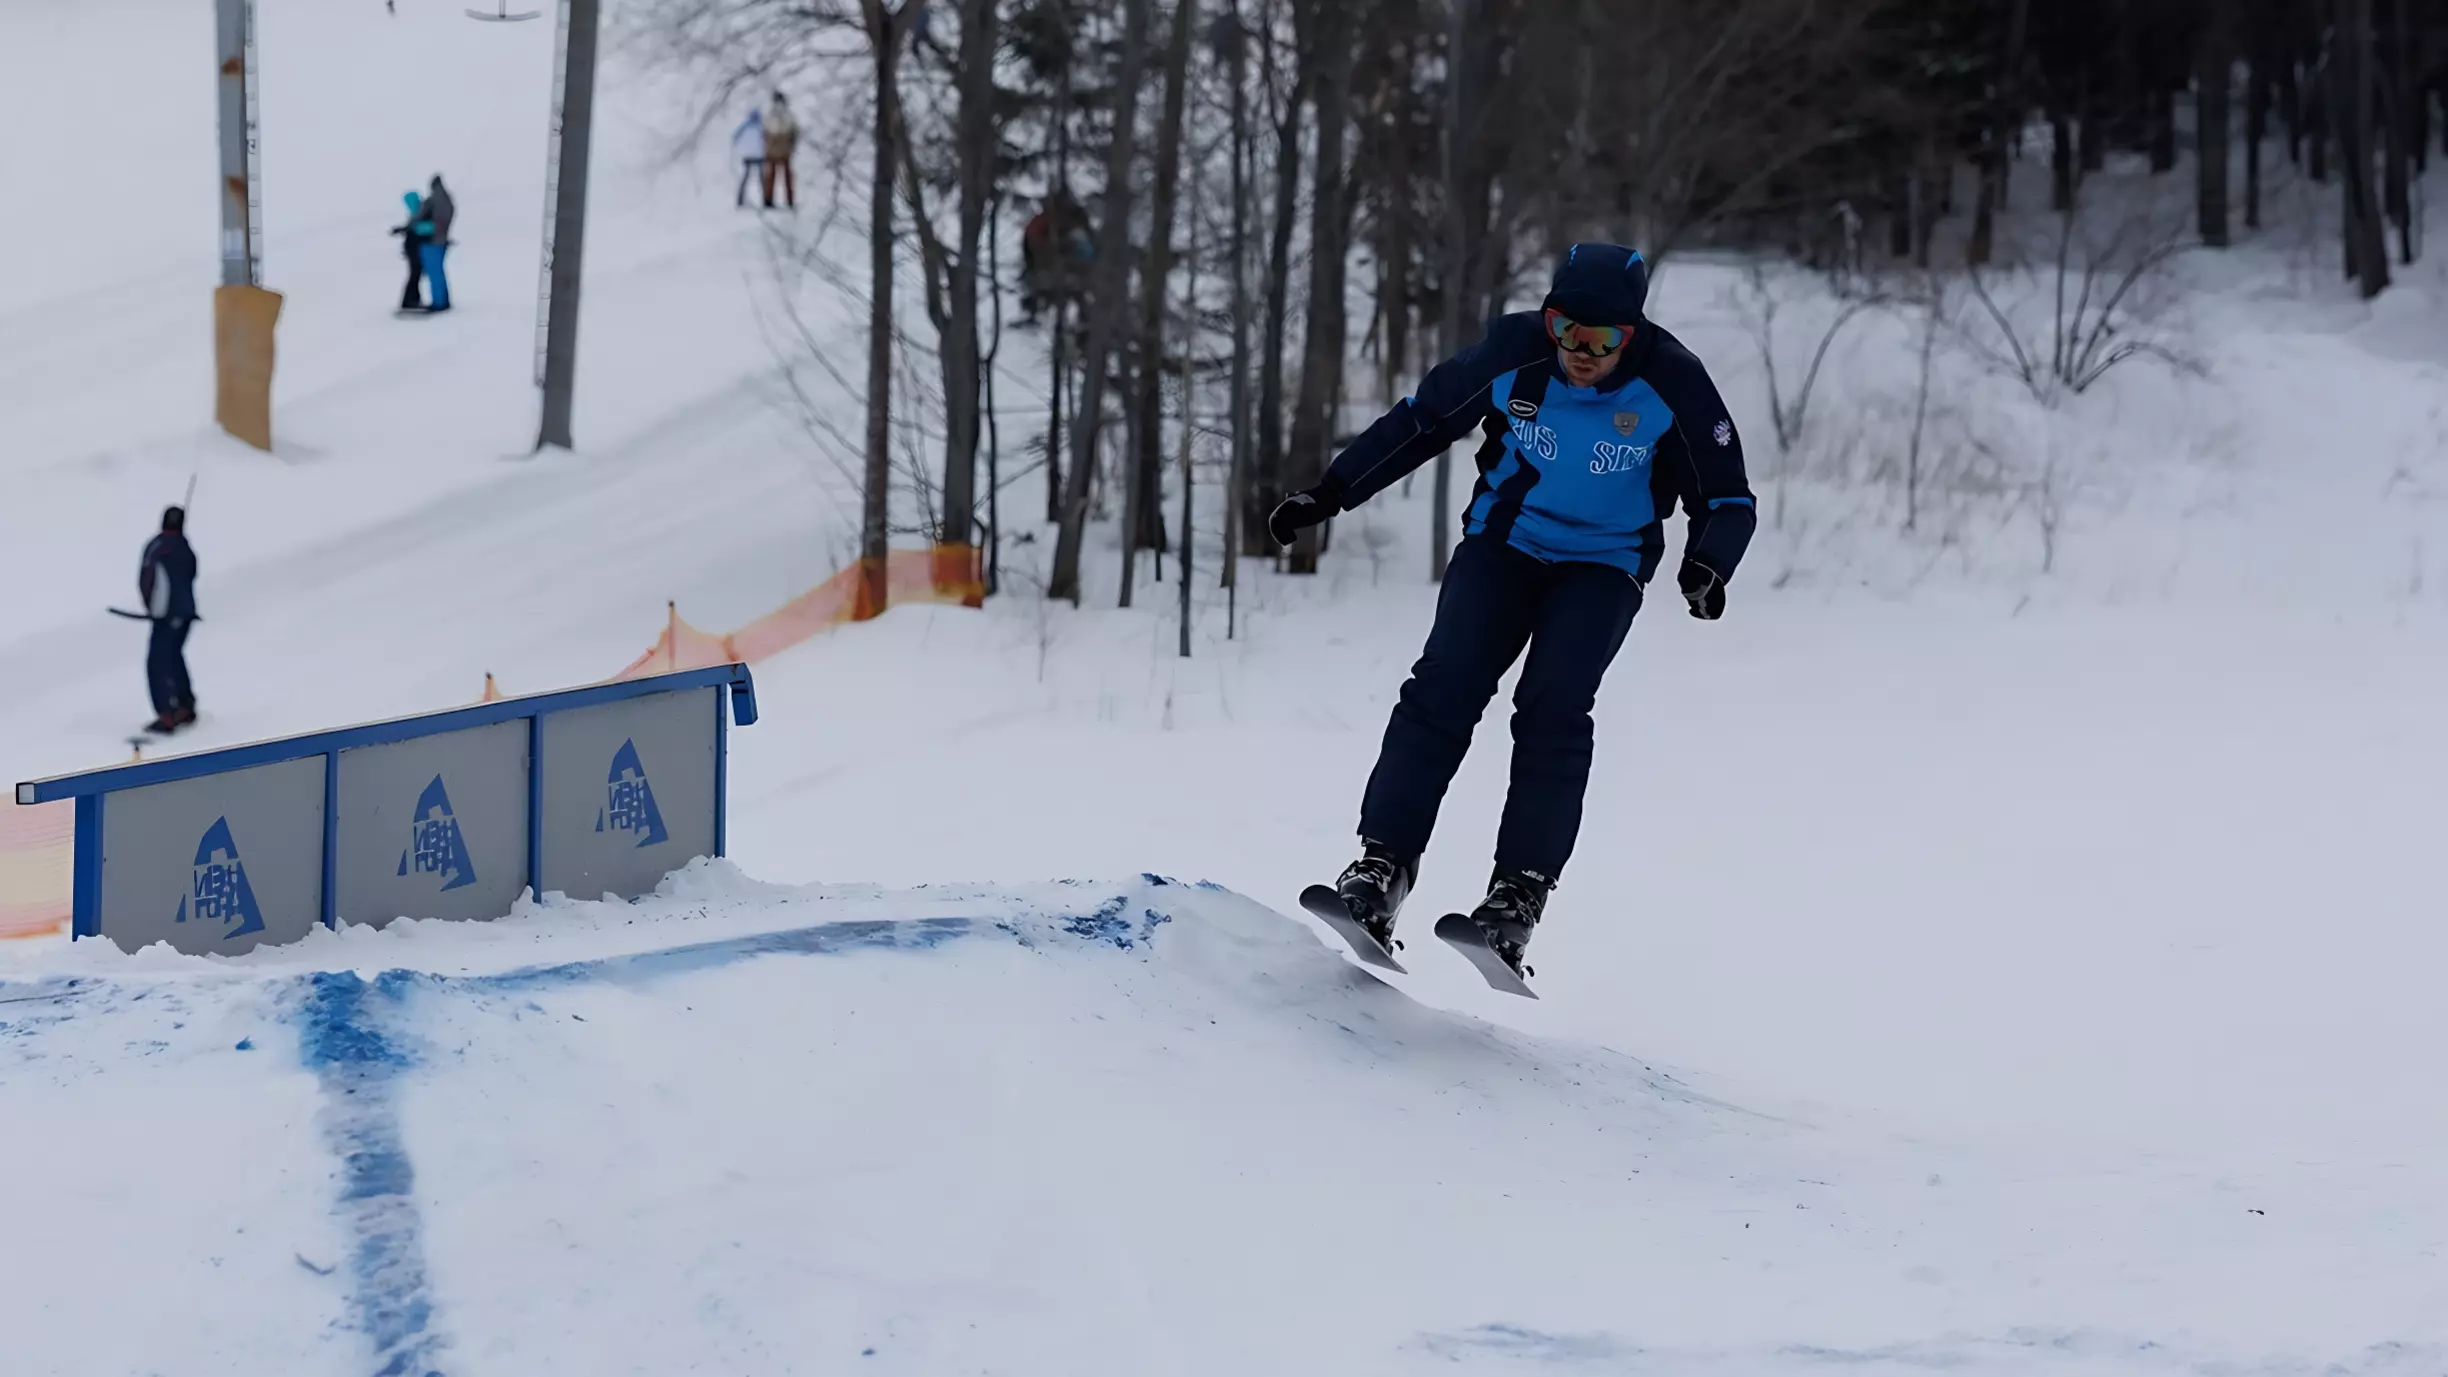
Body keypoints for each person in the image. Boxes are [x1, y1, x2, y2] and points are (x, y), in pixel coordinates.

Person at [1268, 242, 1756, 978]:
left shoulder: (1673, 382)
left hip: (1605, 564)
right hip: (1504, 544)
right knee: (1442, 688)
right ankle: (1380, 871)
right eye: (1566, 332)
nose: (1580, 354)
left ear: (1634, 335)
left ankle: (1517, 899)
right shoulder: (1514, 352)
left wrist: (1708, 565)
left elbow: (1726, 497)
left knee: (1554, 707)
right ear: (1548, 319)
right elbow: (1423, 419)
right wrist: (1333, 492)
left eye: (1602, 342)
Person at [139, 506, 199, 734]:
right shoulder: (186, 548)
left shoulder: (156, 546)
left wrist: (152, 607)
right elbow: (193, 573)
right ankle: (185, 705)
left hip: (165, 614)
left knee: (157, 662)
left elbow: (147, 578)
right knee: (174, 656)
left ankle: (166, 715)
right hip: (186, 613)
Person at [390, 190, 434, 311]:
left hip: (413, 248)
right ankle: (409, 301)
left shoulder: (417, 213)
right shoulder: (418, 213)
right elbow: (420, 228)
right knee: (415, 274)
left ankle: (412, 299)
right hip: (414, 248)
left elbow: (415, 228)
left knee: (415, 274)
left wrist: (404, 229)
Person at [421, 175, 455, 312]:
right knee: (440, 272)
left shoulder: (433, 200)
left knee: (434, 272)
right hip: (443, 240)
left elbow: (420, 216)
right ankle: (444, 300)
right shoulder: (449, 200)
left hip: (432, 241)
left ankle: (438, 302)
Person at [760, 92, 798, 210]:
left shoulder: (770, 115)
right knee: (784, 176)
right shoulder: (788, 115)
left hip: (773, 150)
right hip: (784, 150)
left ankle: (769, 199)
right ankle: (789, 200)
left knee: (772, 176)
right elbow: (794, 133)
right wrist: (791, 146)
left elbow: (764, 134)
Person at [731, 107, 765, 208]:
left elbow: (734, 138)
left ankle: (740, 200)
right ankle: (766, 200)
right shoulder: (761, 127)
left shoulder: (744, 126)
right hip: (759, 155)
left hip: (747, 155)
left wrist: (741, 149)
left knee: (745, 178)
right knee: (762, 178)